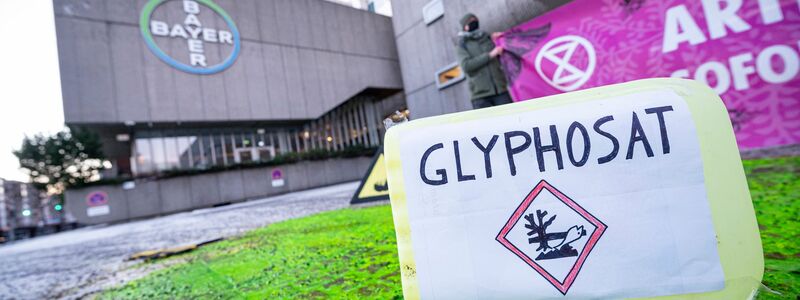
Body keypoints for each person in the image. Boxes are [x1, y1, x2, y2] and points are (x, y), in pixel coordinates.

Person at [456, 13, 512, 109]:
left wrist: (499, 40)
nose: (474, 22)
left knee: (512, 119)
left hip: (500, 90)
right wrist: (490, 55)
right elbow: (467, 66)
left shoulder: (487, 38)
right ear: (465, 26)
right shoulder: (462, 45)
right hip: (481, 96)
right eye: (470, 21)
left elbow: (499, 54)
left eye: (475, 19)